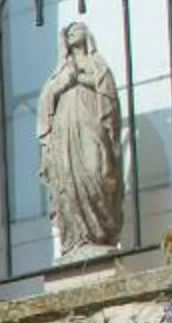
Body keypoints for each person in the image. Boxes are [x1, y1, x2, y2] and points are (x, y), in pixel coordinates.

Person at [37, 19, 126, 258]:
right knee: (67, 178)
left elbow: (109, 96)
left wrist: (83, 79)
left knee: (97, 169)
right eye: (69, 31)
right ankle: (76, 238)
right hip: (65, 135)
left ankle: (100, 233)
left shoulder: (98, 65)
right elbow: (46, 101)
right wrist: (64, 83)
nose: (73, 32)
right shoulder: (60, 71)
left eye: (78, 29)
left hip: (91, 127)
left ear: (87, 35)